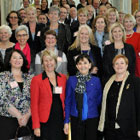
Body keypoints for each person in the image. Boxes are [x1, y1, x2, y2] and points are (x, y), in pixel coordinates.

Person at [98, 54, 140, 140]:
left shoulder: (135, 81)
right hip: (110, 128)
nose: (119, 65)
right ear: (113, 66)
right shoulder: (108, 82)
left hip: (128, 129)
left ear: (127, 65)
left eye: (122, 63)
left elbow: (139, 105)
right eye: (116, 63)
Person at [64, 54, 102, 140]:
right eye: (80, 63)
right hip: (76, 117)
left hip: (92, 118)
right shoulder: (71, 80)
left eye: (85, 63)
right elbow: (68, 101)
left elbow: (99, 99)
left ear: (90, 65)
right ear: (77, 66)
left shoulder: (96, 80)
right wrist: (66, 121)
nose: (82, 66)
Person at [31, 50, 67, 140]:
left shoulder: (63, 78)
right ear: (42, 64)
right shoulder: (36, 80)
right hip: (45, 122)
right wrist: (36, 126)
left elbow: (66, 100)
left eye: (51, 60)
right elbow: (34, 105)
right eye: (45, 61)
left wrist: (66, 120)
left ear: (55, 62)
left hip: (59, 120)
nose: (49, 63)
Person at [0, 49, 33, 139]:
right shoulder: (2, 76)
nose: (17, 60)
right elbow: (2, 99)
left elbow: (35, 99)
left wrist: (26, 116)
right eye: (14, 58)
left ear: (23, 60)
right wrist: (19, 116)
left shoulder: (30, 77)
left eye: (20, 58)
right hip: (8, 121)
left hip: (27, 121)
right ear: (9, 60)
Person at [25, 6, 44, 73]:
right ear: (26, 15)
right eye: (29, 14)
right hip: (27, 56)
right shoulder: (24, 27)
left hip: (40, 55)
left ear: (36, 14)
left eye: (33, 14)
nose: (31, 16)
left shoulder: (42, 27)